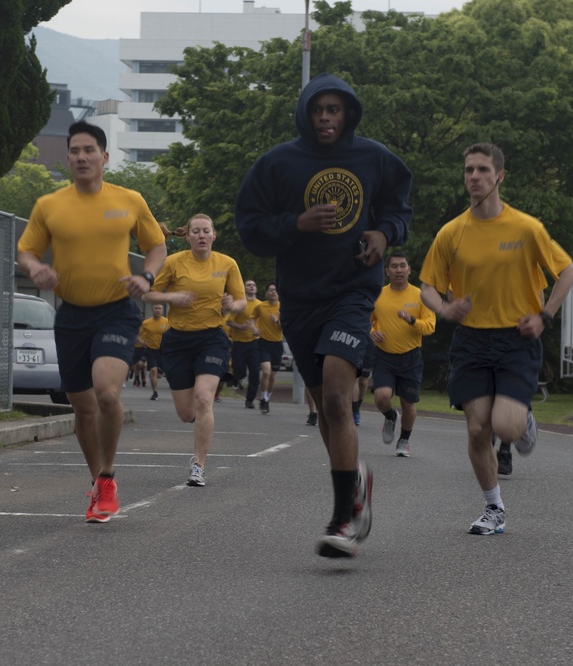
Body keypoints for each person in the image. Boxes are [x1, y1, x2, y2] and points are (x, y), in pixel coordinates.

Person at [235, 72, 413, 558]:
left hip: (353, 292)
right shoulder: (279, 163)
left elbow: (400, 208)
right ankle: (354, 488)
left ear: (348, 113)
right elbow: (248, 227)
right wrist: (296, 223)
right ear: (306, 113)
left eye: (334, 110)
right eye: (318, 110)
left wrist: (383, 234)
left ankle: (344, 519)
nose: (326, 118)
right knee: (327, 411)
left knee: (337, 397)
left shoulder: (373, 157)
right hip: (299, 298)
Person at [418, 142, 573, 535]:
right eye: (469, 170)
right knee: (477, 430)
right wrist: (444, 310)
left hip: (516, 339)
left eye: (483, 170)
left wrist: (544, 316)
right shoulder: (451, 233)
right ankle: (494, 509)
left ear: (500, 176)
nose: (474, 177)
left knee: (505, 428)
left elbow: (568, 271)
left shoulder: (526, 228)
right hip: (471, 341)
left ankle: (522, 418)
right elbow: (427, 287)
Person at [17, 121, 167, 524]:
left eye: (89, 150)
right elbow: (27, 251)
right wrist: (35, 270)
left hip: (117, 309)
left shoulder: (130, 200)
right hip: (71, 316)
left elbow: (156, 245)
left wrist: (147, 277)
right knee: (82, 408)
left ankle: (108, 475)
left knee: (105, 392)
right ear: (67, 158)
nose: (81, 157)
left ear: (104, 156)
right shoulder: (49, 204)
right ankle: (98, 484)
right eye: (75, 151)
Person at [143, 213, 246, 487]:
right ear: (187, 236)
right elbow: (148, 294)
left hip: (212, 338)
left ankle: (198, 465)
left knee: (204, 398)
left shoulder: (227, 263)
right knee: (187, 413)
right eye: (196, 231)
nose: (201, 236)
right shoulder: (174, 263)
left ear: (213, 236)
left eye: (206, 231)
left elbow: (241, 302)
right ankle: (196, 425)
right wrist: (171, 297)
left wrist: (230, 305)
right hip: (177, 341)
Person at [370, 251, 436, 457]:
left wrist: (411, 321)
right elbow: (365, 320)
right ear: (387, 271)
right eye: (394, 266)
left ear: (409, 270)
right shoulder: (378, 295)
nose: (399, 270)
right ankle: (390, 416)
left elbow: (430, 326)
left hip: (410, 357)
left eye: (402, 266)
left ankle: (404, 440)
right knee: (381, 397)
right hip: (384, 355)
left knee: (408, 403)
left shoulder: (420, 296)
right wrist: (371, 332)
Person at [225, 279, 261, 408]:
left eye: (253, 285)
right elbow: (229, 322)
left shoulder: (260, 305)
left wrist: (258, 330)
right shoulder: (240, 305)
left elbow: (262, 323)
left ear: (256, 289)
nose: (251, 287)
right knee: (239, 372)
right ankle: (237, 377)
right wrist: (240, 327)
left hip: (254, 344)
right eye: (248, 285)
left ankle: (249, 400)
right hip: (239, 343)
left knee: (255, 374)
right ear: (244, 289)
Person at [251, 282, 283, 413]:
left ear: (278, 293)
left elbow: (286, 326)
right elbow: (252, 318)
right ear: (266, 293)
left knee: (273, 376)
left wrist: (277, 321)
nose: (273, 292)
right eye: (270, 290)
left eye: (275, 290)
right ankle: (263, 398)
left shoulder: (282, 307)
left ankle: (267, 398)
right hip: (263, 343)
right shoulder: (260, 306)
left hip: (277, 344)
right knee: (266, 372)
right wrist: (254, 327)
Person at [137, 304, 169, 400]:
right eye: (156, 308)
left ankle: (158, 373)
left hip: (164, 351)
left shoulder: (167, 322)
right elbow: (137, 334)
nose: (157, 310)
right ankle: (155, 392)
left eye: (159, 308)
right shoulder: (146, 323)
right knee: (153, 370)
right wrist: (142, 342)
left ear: (162, 311)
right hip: (151, 350)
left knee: (162, 374)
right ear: (152, 310)